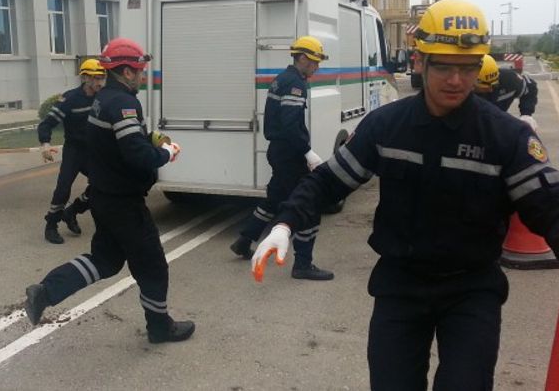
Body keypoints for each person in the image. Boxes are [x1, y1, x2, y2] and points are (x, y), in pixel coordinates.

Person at [250, 0, 559, 390]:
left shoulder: (506, 136)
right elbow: (329, 181)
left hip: (471, 290)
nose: (456, 80)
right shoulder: (388, 125)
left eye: (468, 68)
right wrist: (285, 222)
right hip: (400, 285)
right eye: (444, 66)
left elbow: (551, 207)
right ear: (420, 61)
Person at [25, 37, 195, 343]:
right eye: (141, 70)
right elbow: (136, 155)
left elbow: (121, 139)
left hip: (104, 198)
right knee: (153, 265)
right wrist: (166, 153)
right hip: (123, 204)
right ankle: (159, 327)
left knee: (104, 261)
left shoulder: (104, 99)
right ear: (127, 72)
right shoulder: (125, 103)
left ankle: (46, 291)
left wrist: (151, 136)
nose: (144, 75)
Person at [229, 36, 334, 281]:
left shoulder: (282, 78)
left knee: (275, 198)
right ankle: (303, 264)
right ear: (303, 58)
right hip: (289, 153)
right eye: (315, 62)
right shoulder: (295, 84)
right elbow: (290, 125)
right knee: (308, 204)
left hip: (279, 151)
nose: (317, 67)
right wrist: (307, 151)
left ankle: (244, 240)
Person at [38, 59, 106, 244]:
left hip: (94, 151)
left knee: (102, 185)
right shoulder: (70, 99)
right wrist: (45, 143)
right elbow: (47, 123)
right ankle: (51, 225)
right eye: (96, 78)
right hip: (75, 150)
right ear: (85, 77)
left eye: (102, 78)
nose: (100, 82)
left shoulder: (104, 97)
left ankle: (72, 212)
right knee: (63, 188)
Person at [474, 54, 539, 130]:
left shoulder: (508, 79)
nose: (491, 89)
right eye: (486, 86)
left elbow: (529, 87)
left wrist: (526, 114)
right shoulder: (461, 91)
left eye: (494, 85)